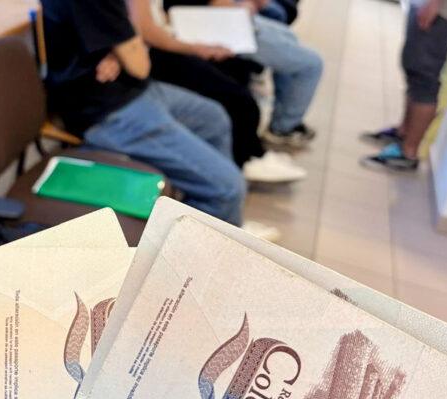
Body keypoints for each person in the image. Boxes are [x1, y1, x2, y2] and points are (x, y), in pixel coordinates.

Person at [42, 0, 280, 239]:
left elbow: (136, 38)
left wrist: (121, 49)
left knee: (214, 117)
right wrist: (128, 47)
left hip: (134, 89)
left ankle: (219, 222)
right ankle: (197, 244)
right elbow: (140, 64)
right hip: (107, 111)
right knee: (228, 187)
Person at [130, 0, 308, 183]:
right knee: (239, 99)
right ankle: (246, 158)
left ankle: (250, 153)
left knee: (238, 69)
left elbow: (152, 19)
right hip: (151, 54)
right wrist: (193, 47)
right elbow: (145, 32)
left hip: (167, 36)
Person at [164, 0, 324, 149]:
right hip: (212, 21)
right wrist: (241, 8)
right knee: (312, 64)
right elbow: (221, 7)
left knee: (288, 33)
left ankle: (283, 120)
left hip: (218, 17)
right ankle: (283, 128)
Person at [361, 0, 447, 171]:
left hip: (445, 9)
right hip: (435, 6)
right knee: (414, 67)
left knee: (423, 75)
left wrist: (436, 3)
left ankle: (408, 152)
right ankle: (403, 134)